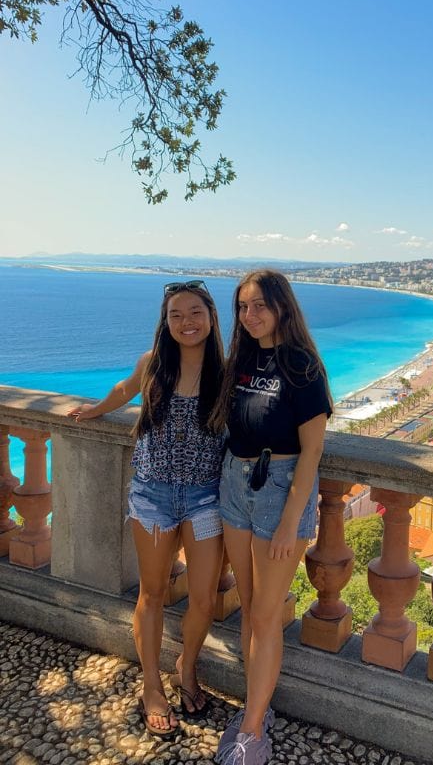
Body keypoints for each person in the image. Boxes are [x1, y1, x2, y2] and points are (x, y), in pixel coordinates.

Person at [67, 280, 226, 737]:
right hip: (153, 495)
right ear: (165, 321)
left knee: (202, 597)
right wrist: (96, 408)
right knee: (151, 594)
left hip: (205, 497)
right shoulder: (153, 363)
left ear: (211, 317)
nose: (186, 322)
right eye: (176, 315)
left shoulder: (226, 371)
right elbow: (124, 389)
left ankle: (187, 667)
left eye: (195, 312)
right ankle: (151, 685)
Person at [213, 270, 332, 765]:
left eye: (260, 304)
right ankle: (253, 707)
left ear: (282, 306)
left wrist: (290, 521)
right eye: (242, 307)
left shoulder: (303, 366)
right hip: (234, 484)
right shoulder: (242, 359)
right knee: (249, 605)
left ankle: (254, 730)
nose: (250, 315)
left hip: (281, 490)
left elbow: (312, 452)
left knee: (265, 615)